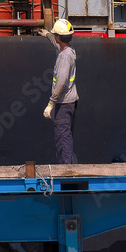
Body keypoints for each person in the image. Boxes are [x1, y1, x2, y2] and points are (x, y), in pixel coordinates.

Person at [42, 19, 78, 164]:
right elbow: (57, 44)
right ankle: (70, 165)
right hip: (70, 101)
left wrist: (51, 103)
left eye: (54, 35)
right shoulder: (68, 50)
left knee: (63, 137)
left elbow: (61, 81)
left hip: (63, 103)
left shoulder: (64, 57)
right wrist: (47, 35)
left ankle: (66, 170)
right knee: (67, 135)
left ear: (59, 37)